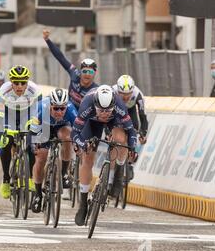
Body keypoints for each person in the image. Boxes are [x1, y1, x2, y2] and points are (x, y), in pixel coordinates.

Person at [72, 85, 138, 226]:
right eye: (101, 110)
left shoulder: (119, 105)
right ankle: (83, 203)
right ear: (95, 105)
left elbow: (131, 132)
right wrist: (83, 144)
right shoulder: (87, 105)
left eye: (108, 110)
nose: (104, 113)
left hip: (113, 122)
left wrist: (133, 148)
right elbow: (74, 133)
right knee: (88, 157)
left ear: (113, 105)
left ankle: (119, 171)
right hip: (92, 123)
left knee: (121, 140)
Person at [0, 65, 42, 199]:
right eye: (16, 82)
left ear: (27, 82)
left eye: (23, 82)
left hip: (27, 114)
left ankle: (30, 177)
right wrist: (3, 131)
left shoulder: (34, 90)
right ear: (11, 82)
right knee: (5, 144)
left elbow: (39, 110)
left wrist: (34, 126)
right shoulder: (3, 90)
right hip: (8, 115)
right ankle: (6, 179)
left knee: (31, 144)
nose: (19, 86)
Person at [29, 88, 77, 213]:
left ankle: (64, 173)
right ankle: (38, 194)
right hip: (44, 129)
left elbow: (78, 130)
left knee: (68, 138)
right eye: (56, 108)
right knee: (41, 158)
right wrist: (34, 146)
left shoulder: (71, 109)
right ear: (50, 105)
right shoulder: (41, 108)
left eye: (62, 108)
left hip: (61, 128)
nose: (59, 112)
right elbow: (33, 132)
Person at [43, 29, 99, 108]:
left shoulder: (96, 91)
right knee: (47, 100)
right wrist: (47, 40)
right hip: (66, 109)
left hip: (81, 117)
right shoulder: (75, 73)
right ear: (80, 71)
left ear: (95, 73)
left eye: (90, 72)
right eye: (85, 71)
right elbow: (60, 58)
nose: (87, 74)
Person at [113, 75, 148, 144]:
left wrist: (143, 133)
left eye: (128, 94)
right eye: (123, 94)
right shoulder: (112, 92)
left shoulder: (138, 94)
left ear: (132, 91)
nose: (126, 97)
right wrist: (108, 132)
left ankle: (131, 150)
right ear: (118, 91)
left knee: (134, 128)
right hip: (116, 110)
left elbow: (143, 116)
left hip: (130, 109)